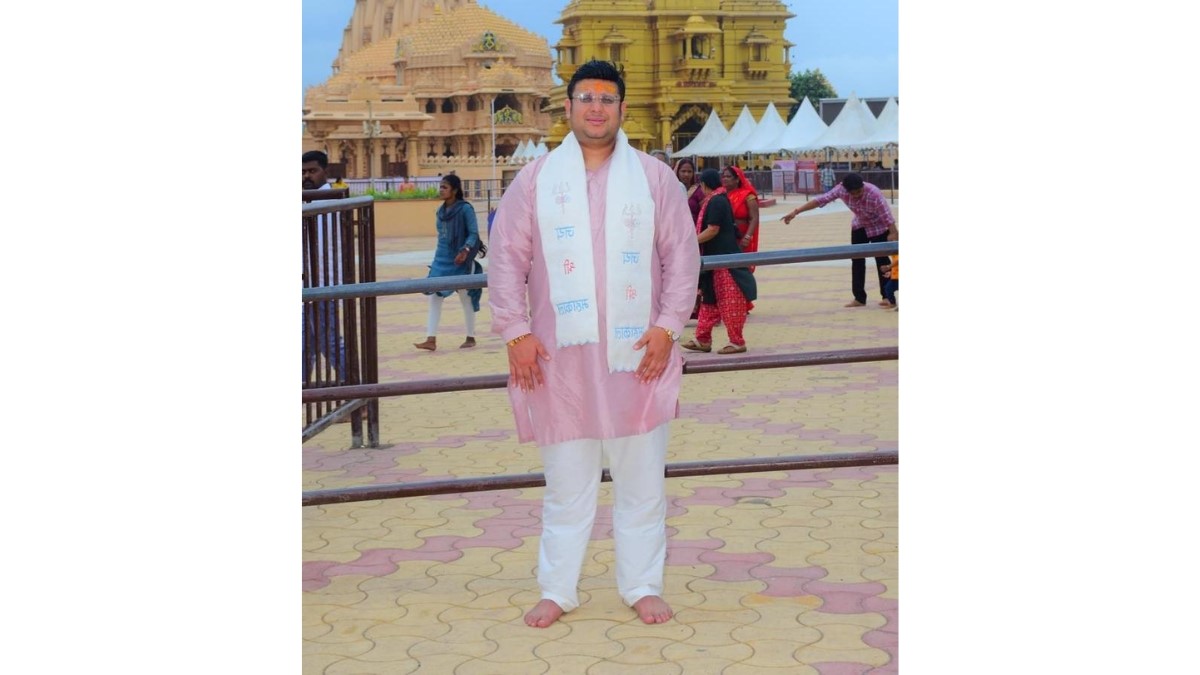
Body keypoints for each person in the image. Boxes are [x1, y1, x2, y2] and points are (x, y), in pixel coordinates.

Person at [487, 59, 700, 628]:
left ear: (622, 109)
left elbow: (682, 257)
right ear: (569, 108)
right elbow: (506, 259)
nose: (597, 108)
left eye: (607, 99)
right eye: (587, 98)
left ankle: (642, 584)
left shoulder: (654, 178)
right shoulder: (535, 181)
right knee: (566, 486)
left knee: (642, 483)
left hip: (640, 358)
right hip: (560, 361)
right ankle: (557, 588)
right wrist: (515, 332)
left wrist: (668, 327)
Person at [782, 172, 895, 307]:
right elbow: (821, 200)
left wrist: (893, 233)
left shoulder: (874, 194)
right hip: (860, 225)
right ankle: (859, 298)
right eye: (853, 193)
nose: (857, 195)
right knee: (857, 260)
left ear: (863, 186)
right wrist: (796, 212)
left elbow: (887, 216)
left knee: (882, 260)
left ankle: (887, 297)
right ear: (847, 190)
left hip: (879, 227)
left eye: (859, 191)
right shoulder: (841, 190)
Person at [681, 169, 756, 354]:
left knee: (730, 302)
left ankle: (737, 342)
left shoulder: (716, 201)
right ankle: (702, 340)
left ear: (704, 184)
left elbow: (713, 229)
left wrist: (690, 243)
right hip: (714, 260)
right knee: (709, 301)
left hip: (724, 260)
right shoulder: (717, 199)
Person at [413, 174, 484, 350]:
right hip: (442, 261)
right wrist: (437, 260)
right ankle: (431, 339)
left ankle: (470, 337)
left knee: (465, 297)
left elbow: (473, 233)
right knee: (434, 296)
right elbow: (442, 238)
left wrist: (465, 250)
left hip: (461, 261)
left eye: (445, 187)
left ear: (455, 190)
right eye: (441, 187)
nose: (441, 190)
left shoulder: (465, 209)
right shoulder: (440, 212)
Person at [301, 150, 345, 383]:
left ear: (325, 171)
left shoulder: (327, 202)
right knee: (305, 344)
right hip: (309, 285)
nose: (307, 176)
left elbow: (319, 249)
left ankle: (356, 387)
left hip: (322, 285)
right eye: (303, 172)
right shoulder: (309, 201)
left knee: (329, 342)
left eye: (312, 171)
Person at [879, 223, 898, 310]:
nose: (889, 244)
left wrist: (888, 267)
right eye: (888, 242)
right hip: (895, 276)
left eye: (891, 242)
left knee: (889, 288)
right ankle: (893, 303)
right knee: (888, 288)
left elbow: (898, 261)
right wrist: (890, 272)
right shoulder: (894, 252)